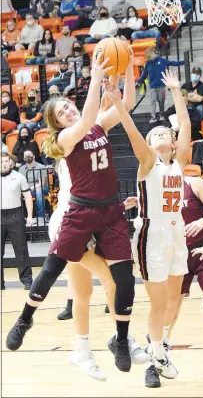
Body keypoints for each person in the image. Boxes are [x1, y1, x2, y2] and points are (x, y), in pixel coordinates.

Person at [6, 54, 137, 375]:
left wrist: (128, 67)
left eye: (68, 104)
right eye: (61, 109)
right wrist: (94, 79)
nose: (68, 108)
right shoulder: (67, 138)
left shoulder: (95, 124)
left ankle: (101, 344)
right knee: (86, 278)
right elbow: (88, 113)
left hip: (104, 213)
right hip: (75, 215)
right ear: (56, 123)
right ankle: (26, 319)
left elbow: (126, 104)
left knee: (88, 290)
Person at [104, 69, 191, 387]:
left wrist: (177, 91)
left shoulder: (179, 161)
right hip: (152, 234)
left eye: (162, 134)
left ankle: (158, 346)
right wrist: (119, 104)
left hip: (177, 231)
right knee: (157, 302)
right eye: (153, 135)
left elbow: (186, 125)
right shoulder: (146, 161)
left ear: (171, 139)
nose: (157, 137)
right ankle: (156, 354)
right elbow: (132, 134)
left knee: (172, 299)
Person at [50, 158, 149, 379]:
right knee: (111, 281)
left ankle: (83, 350)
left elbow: (96, 198)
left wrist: (120, 205)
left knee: (82, 293)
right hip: (72, 226)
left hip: (89, 224)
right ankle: (120, 339)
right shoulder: (73, 156)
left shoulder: (90, 159)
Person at [164, 176, 203, 344]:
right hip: (175, 254)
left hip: (202, 251)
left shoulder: (194, 184)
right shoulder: (156, 185)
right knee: (172, 305)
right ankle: (160, 348)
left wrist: (201, 222)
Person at [1, 152, 33, 291]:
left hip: (15, 214)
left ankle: (27, 280)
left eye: (6, 161)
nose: (4, 164)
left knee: (21, 250)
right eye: (1, 161)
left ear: (11, 162)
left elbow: (27, 196)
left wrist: (30, 216)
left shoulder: (19, 176)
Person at [136, 47, 184, 123]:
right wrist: (138, 81)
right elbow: (144, 74)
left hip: (161, 86)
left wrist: (183, 62)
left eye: (150, 56)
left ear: (154, 53)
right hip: (152, 87)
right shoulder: (148, 63)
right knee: (153, 101)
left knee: (161, 101)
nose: (149, 58)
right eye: (148, 57)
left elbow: (172, 63)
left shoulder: (162, 60)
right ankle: (153, 116)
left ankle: (161, 115)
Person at [19, 150, 48, 223]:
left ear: (34, 156)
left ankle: (41, 216)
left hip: (40, 188)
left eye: (29, 155)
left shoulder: (40, 167)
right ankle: (20, 217)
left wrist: (28, 189)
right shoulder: (21, 169)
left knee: (39, 190)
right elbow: (20, 183)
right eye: (25, 156)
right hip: (26, 190)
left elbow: (41, 183)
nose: (27, 157)